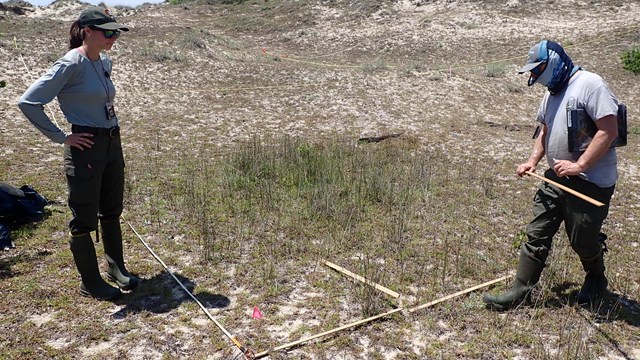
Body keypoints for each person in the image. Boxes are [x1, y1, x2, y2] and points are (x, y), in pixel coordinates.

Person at [483, 40, 620, 310]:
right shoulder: (550, 93)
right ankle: (520, 293)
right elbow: (543, 131)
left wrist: (579, 165)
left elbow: (609, 130)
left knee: (583, 239)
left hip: (589, 183)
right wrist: (533, 161)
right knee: (537, 233)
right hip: (554, 179)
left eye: (537, 69)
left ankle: (596, 279)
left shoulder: (590, 84)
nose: (534, 75)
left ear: (554, 62)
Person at [18, 6, 139, 300]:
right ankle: (90, 282)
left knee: (111, 207)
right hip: (85, 146)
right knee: (84, 215)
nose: (114, 37)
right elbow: (29, 102)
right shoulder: (70, 63)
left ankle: (115, 267)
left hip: (111, 142)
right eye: (108, 32)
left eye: (116, 32)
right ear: (87, 32)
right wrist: (62, 137)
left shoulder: (104, 61)